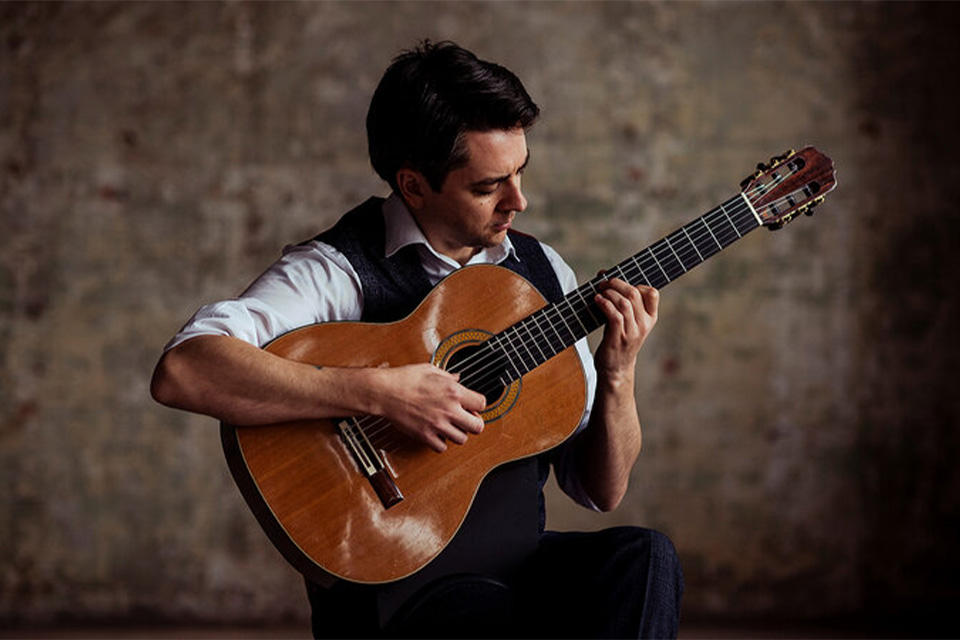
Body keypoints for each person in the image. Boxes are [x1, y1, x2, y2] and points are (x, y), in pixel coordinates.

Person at [152, 40, 683, 638]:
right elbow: (185, 371)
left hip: (513, 568)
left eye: (519, 173)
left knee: (644, 561)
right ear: (413, 184)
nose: (519, 201)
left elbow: (602, 492)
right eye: (488, 187)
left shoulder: (542, 274)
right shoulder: (336, 271)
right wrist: (379, 394)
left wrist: (617, 373)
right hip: (396, 593)